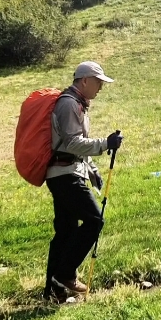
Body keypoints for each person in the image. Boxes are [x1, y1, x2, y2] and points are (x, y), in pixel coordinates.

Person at [43, 61, 123, 302]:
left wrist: (92, 169)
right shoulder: (69, 104)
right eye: (98, 82)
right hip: (64, 174)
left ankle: (53, 291)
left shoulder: (77, 103)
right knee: (94, 220)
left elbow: (75, 145)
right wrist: (105, 144)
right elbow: (72, 143)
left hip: (66, 172)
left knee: (65, 232)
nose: (100, 87)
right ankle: (65, 274)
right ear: (85, 80)